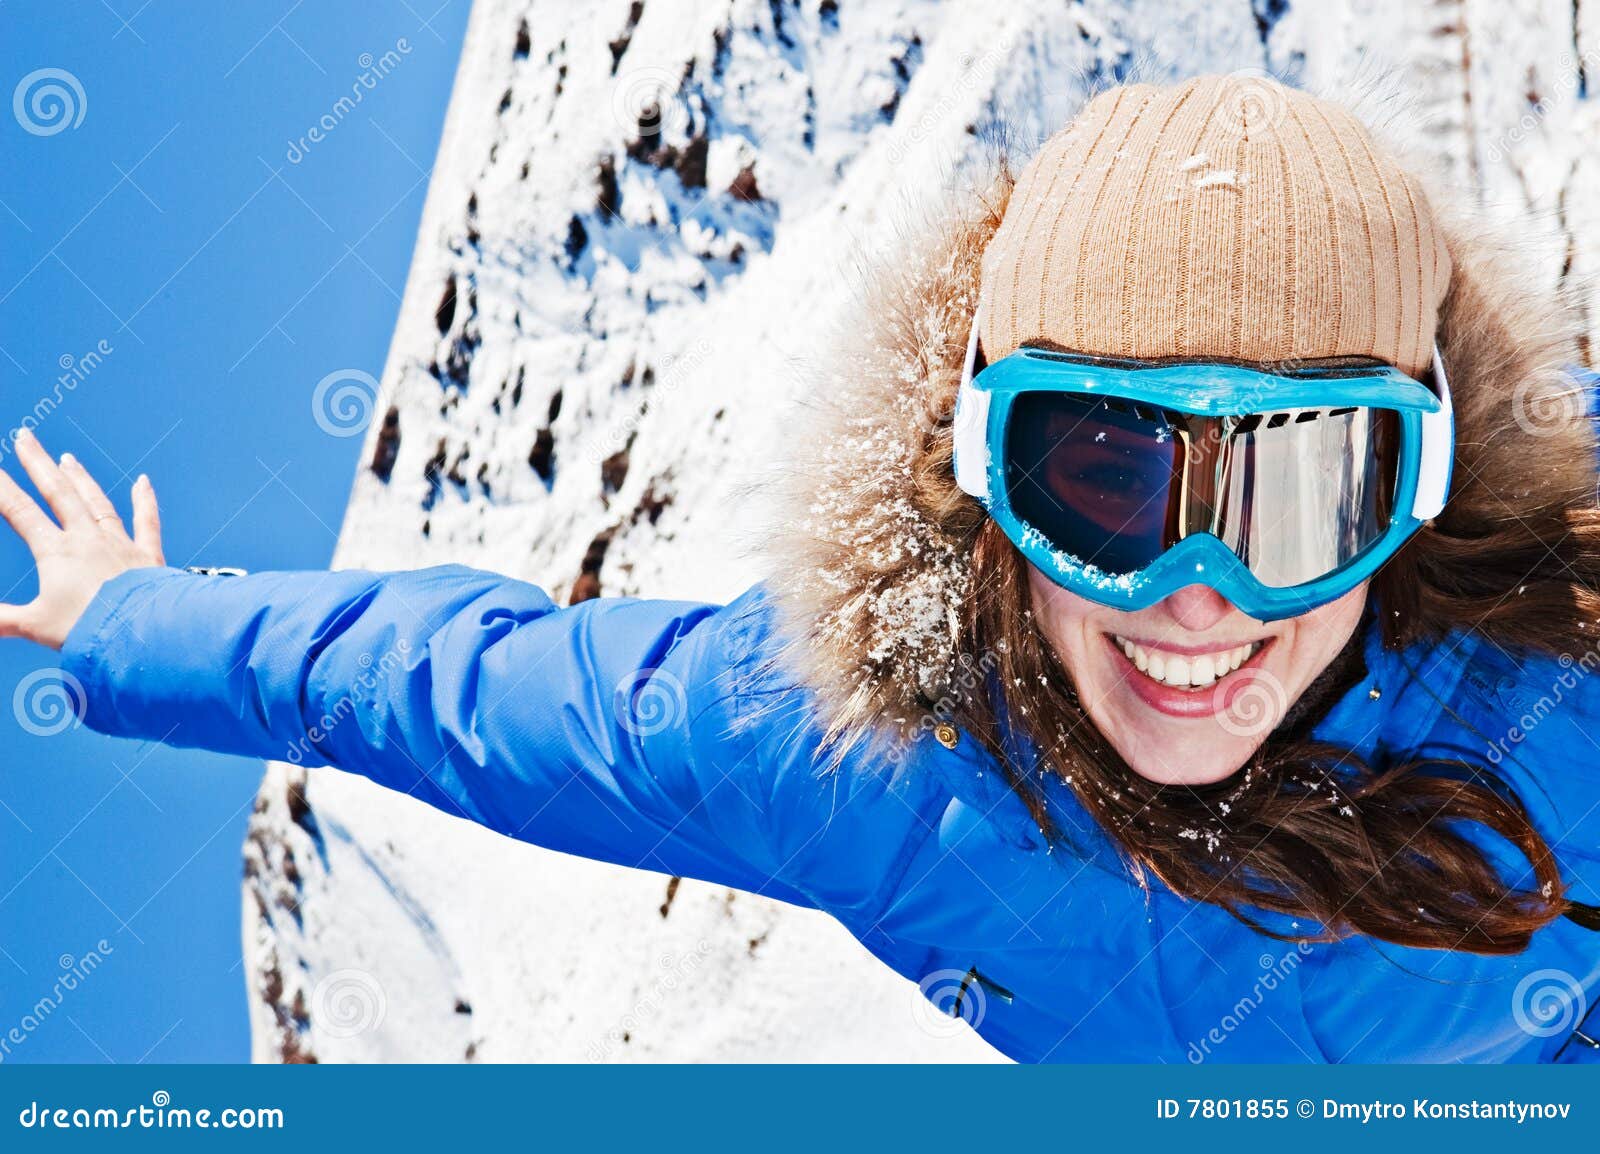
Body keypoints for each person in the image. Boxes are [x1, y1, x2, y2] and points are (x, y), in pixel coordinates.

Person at [5, 74, 1599, 1063]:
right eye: (1108, 477)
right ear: (988, 478)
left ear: (1422, 488)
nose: (1199, 595)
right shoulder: (865, 761)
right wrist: (131, 621)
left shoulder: (1557, 666)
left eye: (1303, 494)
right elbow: (466, 690)